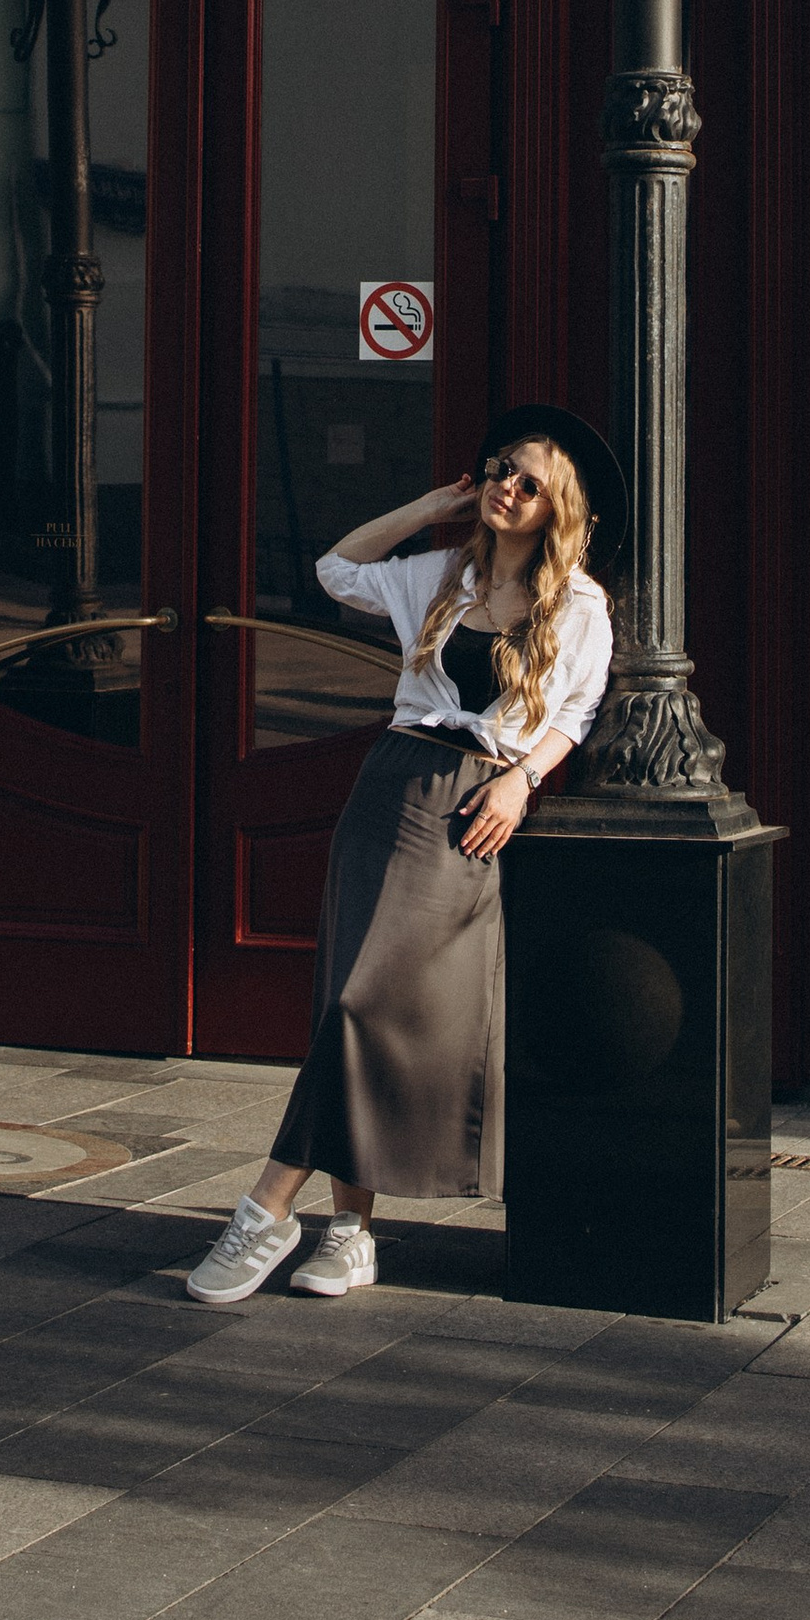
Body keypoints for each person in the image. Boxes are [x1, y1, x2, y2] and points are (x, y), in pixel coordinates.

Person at [186, 402, 624, 1306]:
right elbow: (336, 567)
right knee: (352, 1003)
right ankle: (350, 1234)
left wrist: (521, 782)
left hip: (473, 804)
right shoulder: (439, 574)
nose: (507, 487)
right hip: (390, 784)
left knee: (366, 1004)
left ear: (558, 506)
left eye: (529, 482)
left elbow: (574, 714)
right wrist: (432, 505)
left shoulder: (577, 604)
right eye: (500, 468)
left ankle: (266, 1211)